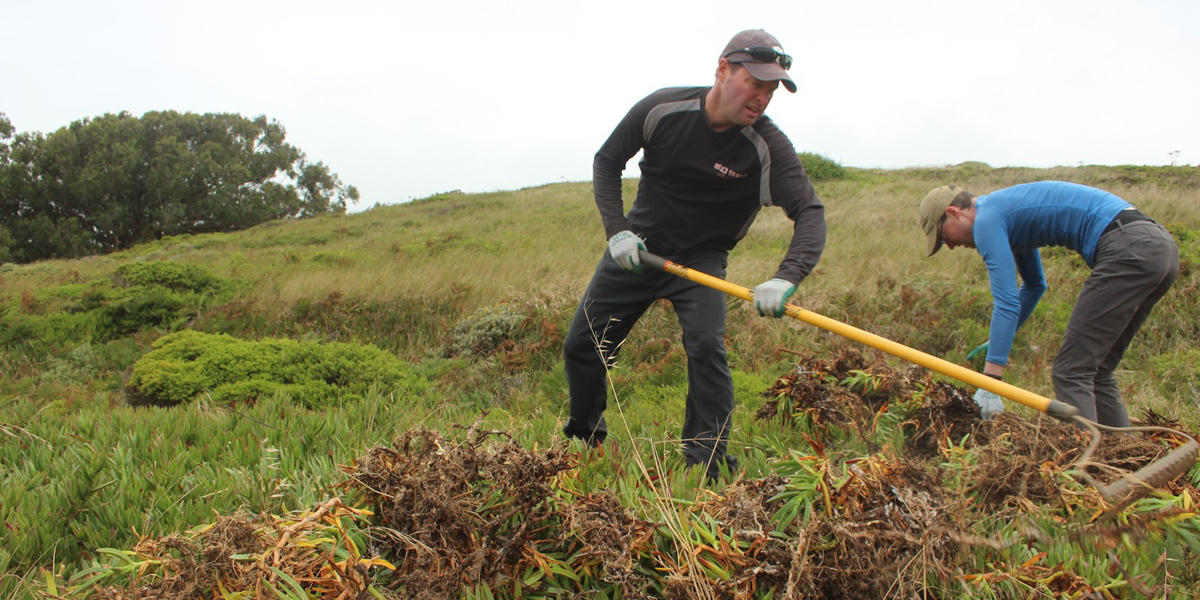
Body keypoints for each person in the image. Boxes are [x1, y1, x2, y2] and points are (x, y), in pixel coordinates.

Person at [562, 29, 826, 479]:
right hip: (639, 249)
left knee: (706, 347)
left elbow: (810, 212)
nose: (763, 97)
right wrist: (618, 231)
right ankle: (587, 440)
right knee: (583, 345)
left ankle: (706, 463)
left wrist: (786, 277)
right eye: (755, 83)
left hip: (700, 262)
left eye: (771, 89)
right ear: (723, 69)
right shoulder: (663, 109)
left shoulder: (766, 148)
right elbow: (607, 160)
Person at [918, 181, 1178, 426]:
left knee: (1070, 372)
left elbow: (1006, 302)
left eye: (943, 237)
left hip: (1127, 248)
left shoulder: (986, 221)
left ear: (953, 212)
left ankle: (1087, 466)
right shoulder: (1003, 212)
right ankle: (1121, 456)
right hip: (1157, 248)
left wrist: (990, 384)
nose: (950, 246)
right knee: (1097, 371)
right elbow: (1034, 285)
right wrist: (997, 339)